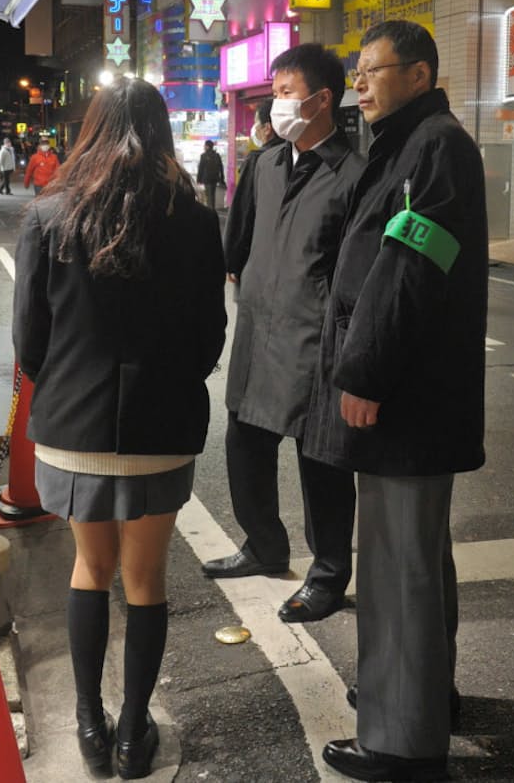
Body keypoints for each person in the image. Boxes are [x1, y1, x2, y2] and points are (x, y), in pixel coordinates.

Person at [12, 77, 226, 779]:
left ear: (91, 130)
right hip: (160, 430)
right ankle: (135, 734)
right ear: (161, 133)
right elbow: (207, 340)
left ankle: (87, 722)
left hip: (71, 430)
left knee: (89, 568)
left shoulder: (47, 216)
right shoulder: (193, 222)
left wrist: (73, 384)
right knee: (145, 579)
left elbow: (28, 344)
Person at [303, 21, 488, 781]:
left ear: (419, 74)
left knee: (397, 568)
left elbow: (412, 263)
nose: (360, 85)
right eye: (358, 73)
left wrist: (366, 372)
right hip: (413, 396)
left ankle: (402, 742)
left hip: (405, 397)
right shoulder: (409, 145)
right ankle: (417, 696)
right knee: (415, 561)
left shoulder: (434, 145)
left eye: (373, 71)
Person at [202, 43, 365, 627]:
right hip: (257, 332)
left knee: (321, 464)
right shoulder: (266, 165)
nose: (276, 104)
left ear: (322, 99)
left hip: (314, 343)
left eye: (286, 92)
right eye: (274, 92)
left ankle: (327, 575)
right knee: (244, 446)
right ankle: (263, 546)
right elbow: (235, 244)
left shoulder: (352, 176)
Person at [223, 98, 282, 295]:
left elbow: (243, 210)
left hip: (254, 259)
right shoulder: (299, 156)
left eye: (256, 123)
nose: (254, 129)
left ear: (267, 128)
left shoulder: (257, 159)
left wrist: (232, 258)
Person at [196, 139, 224, 212]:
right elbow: (221, 167)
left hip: (207, 179)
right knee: (212, 195)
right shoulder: (217, 155)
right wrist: (222, 179)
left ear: (207, 146)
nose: (204, 147)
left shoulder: (203, 156)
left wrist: (198, 179)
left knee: (208, 196)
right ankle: (212, 210)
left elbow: (201, 168)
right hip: (215, 179)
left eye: (205, 145)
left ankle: (210, 211)